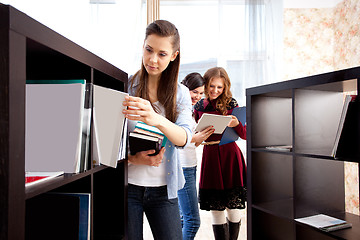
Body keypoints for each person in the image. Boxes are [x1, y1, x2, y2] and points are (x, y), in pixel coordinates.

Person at [122, 20, 193, 240]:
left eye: (162, 54)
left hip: (165, 190)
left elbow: (184, 137)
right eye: (148, 50)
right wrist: (133, 159)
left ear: (174, 56)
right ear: (142, 46)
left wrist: (155, 118)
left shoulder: (180, 94)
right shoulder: (125, 87)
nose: (153, 60)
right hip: (128, 189)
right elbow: (107, 142)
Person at [193, 67, 247, 240]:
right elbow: (194, 134)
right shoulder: (199, 106)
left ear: (225, 88)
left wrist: (236, 124)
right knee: (216, 208)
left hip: (230, 156)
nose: (215, 90)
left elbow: (245, 135)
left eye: (220, 87)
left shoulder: (231, 103)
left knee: (233, 207)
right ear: (205, 84)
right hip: (210, 157)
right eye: (212, 86)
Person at [178, 73, 214, 240]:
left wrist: (199, 139)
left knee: (183, 220)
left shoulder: (190, 109)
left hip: (190, 165)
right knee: (192, 221)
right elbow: (176, 135)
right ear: (185, 88)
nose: (198, 97)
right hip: (183, 166)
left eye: (201, 93)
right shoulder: (178, 106)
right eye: (195, 92)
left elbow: (187, 139)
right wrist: (195, 138)